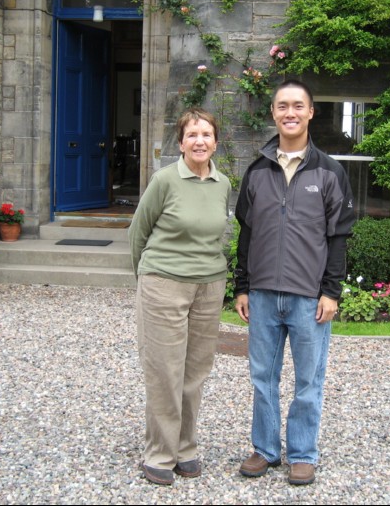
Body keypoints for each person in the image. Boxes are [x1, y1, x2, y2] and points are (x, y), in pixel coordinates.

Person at [234, 79, 355, 486]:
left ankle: (302, 452)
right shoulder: (256, 172)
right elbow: (246, 233)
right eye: (282, 106)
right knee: (261, 378)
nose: (290, 113)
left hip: (308, 298)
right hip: (264, 294)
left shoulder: (329, 171)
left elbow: (338, 235)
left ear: (310, 113)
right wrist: (242, 286)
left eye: (297, 106)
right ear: (273, 113)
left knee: (309, 381)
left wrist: (331, 291)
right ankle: (265, 449)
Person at [129, 108, 232, 486]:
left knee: (195, 371)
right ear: (181, 142)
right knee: (164, 370)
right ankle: (160, 451)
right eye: (192, 135)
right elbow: (137, 233)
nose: (200, 141)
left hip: (208, 286)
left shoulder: (223, 183)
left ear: (216, 142)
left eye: (206, 134)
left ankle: (185, 445)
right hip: (163, 283)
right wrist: (145, 277)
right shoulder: (165, 180)